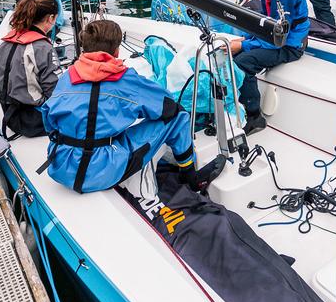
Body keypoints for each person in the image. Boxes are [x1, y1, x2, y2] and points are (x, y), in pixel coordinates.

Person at [40, 19, 226, 194]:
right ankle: (190, 177)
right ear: (116, 51)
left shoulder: (68, 76)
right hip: (102, 171)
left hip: (61, 165)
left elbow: (48, 118)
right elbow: (167, 106)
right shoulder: (126, 80)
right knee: (178, 116)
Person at [228, 0, 309, 134]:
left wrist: (244, 46)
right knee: (233, 56)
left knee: (242, 63)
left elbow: (279, 37)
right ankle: (237, 106)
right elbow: (266, 23)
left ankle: (255, 117)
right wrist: (245, 40)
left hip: (291, 46)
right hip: (277, 39)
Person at [0, 0, 61, 138]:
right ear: (50, 18)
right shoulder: (43, 48)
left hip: (8, 110)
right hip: (32, 120)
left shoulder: (6, 41)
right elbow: (54, 91)